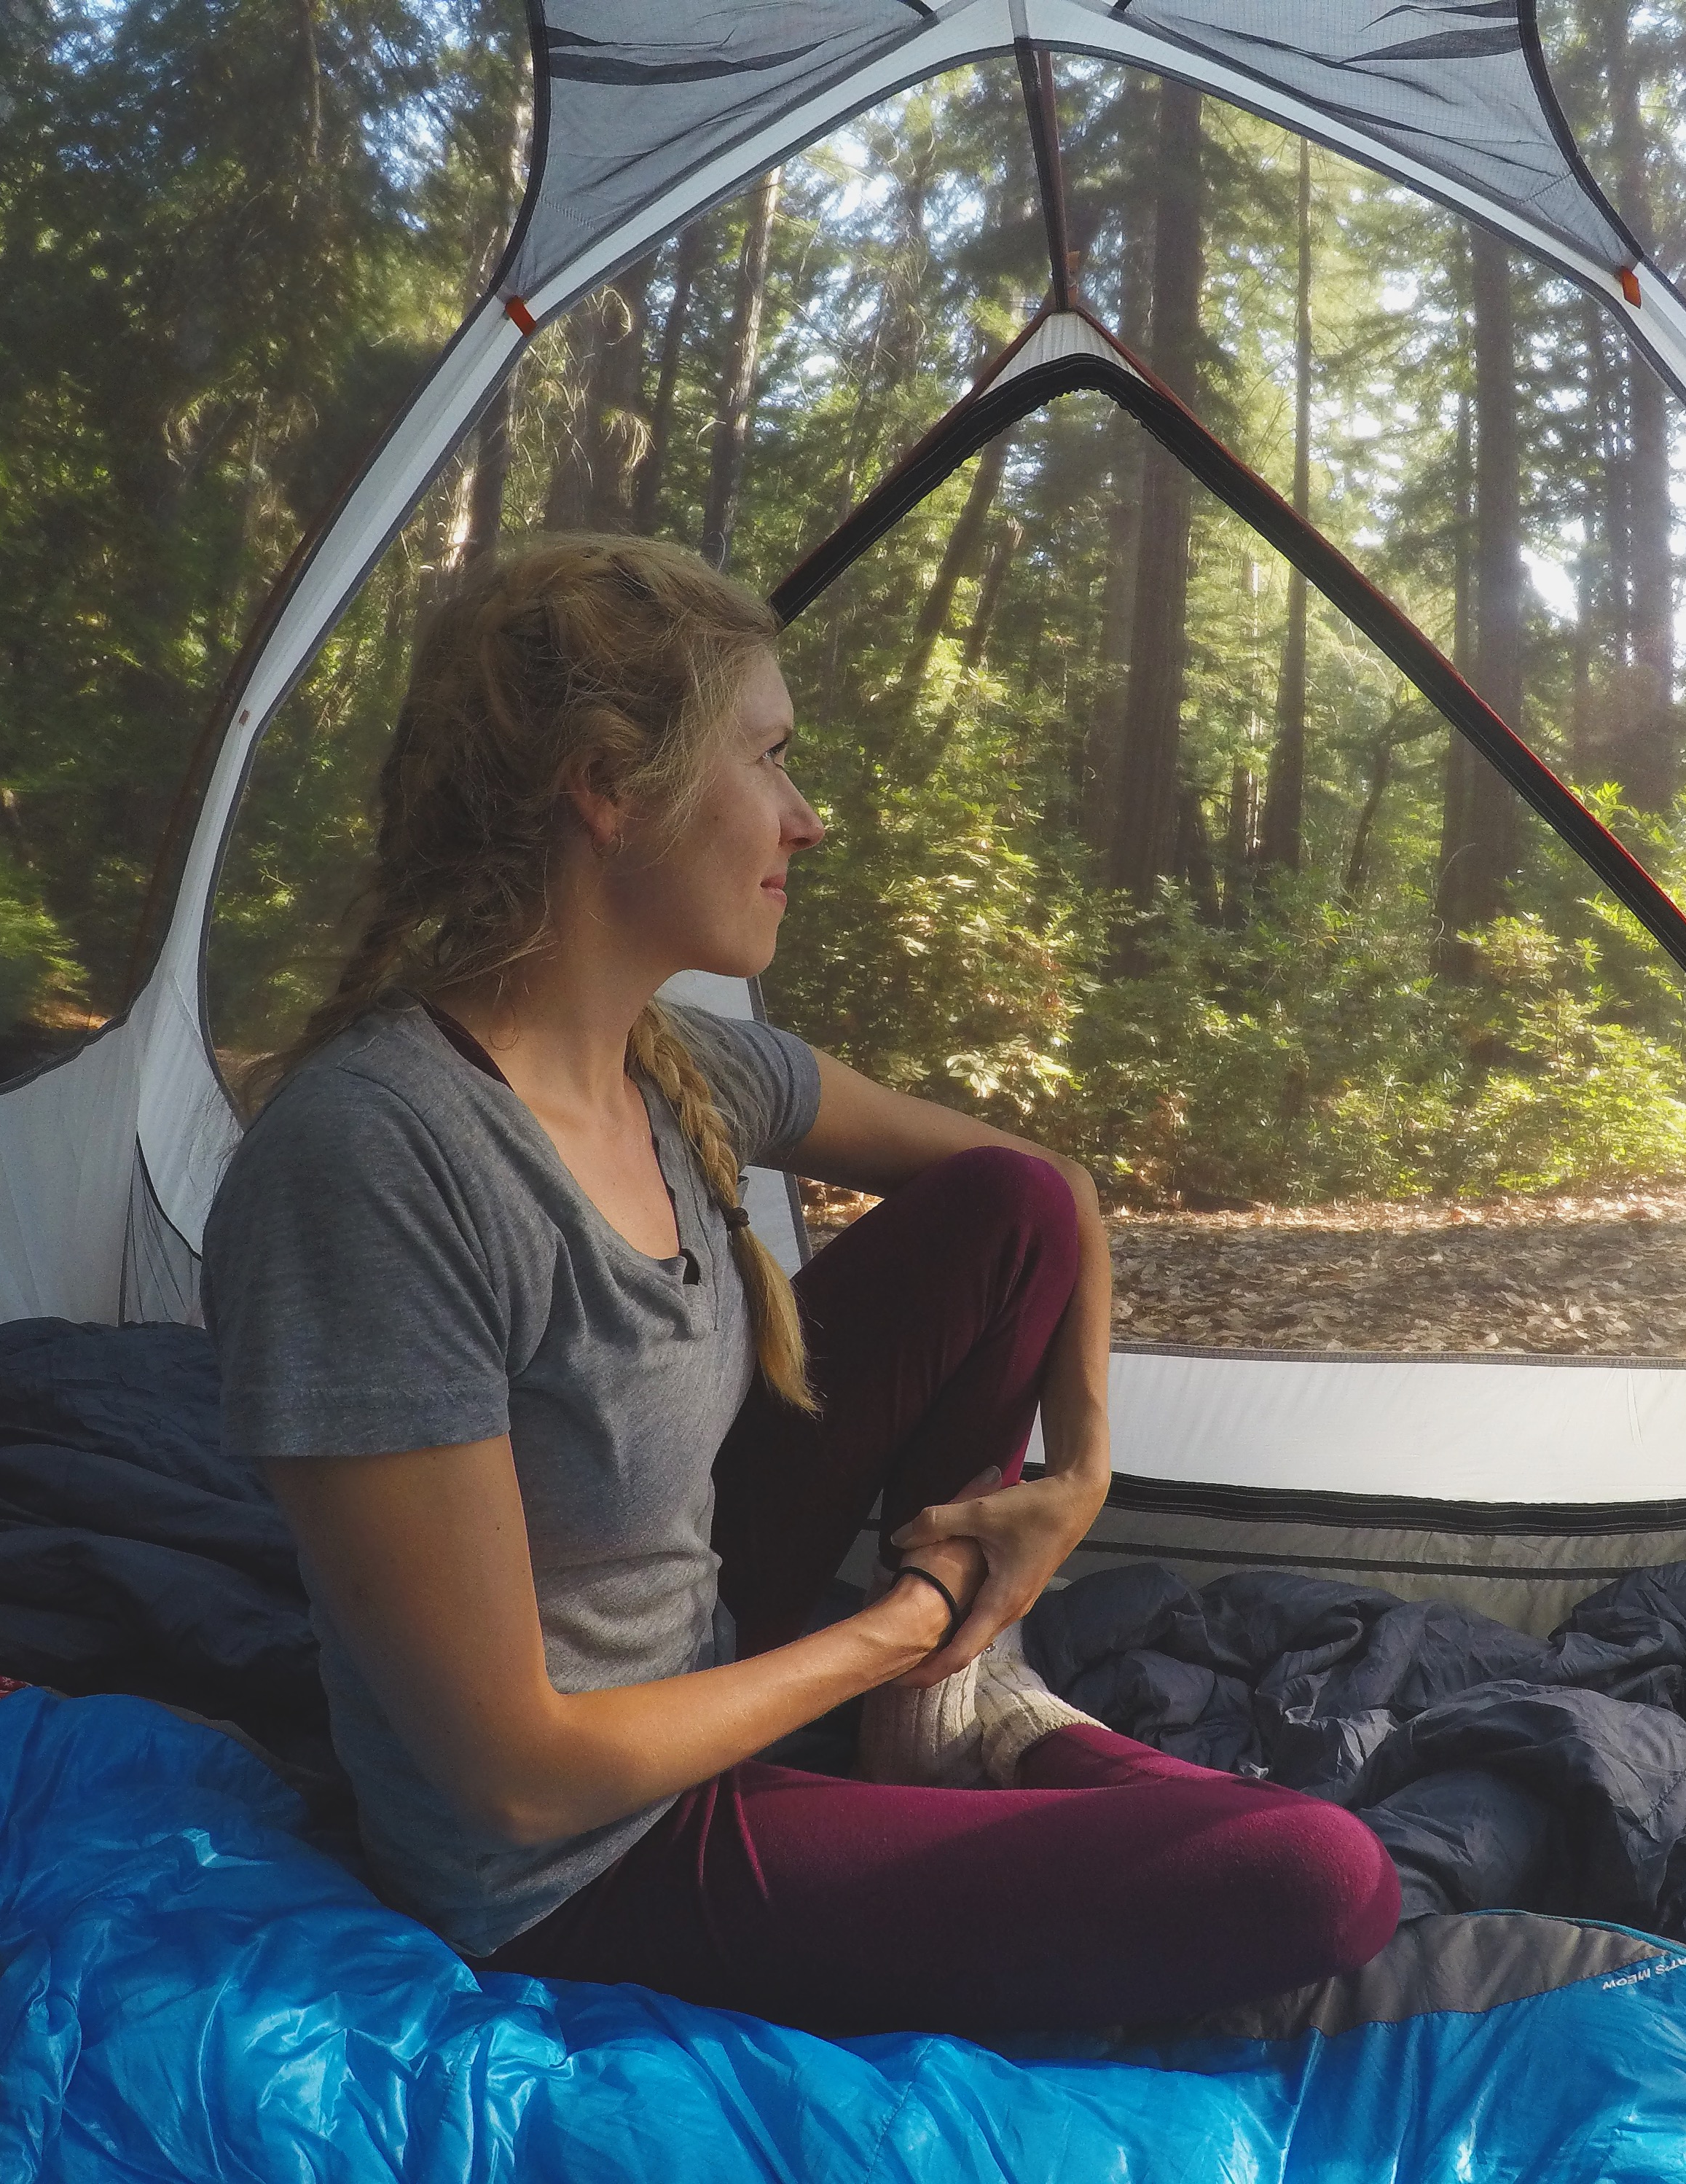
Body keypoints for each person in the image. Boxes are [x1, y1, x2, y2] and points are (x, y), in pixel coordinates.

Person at [203, 534, 1399, 2038]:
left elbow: (1055, 1194)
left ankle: (952, 1706)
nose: (805, 818)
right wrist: (895, 1627)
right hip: (575, 1861)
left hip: (714, 1646)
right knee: (1318, 1879)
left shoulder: (671, 1060)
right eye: (765, 757)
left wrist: (1076, 1477)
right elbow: (514, 1772)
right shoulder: (377, 1161)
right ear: (607, 787)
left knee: (1003, 1206)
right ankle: (952, 1692)